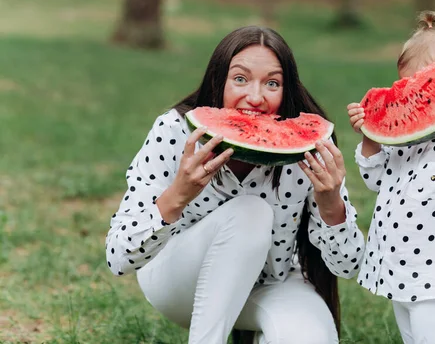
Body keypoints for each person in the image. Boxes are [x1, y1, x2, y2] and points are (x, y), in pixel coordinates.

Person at [105, 26, 365, 344]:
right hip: (177, 280)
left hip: (271, 283)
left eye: (272, 83)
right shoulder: (174, 131)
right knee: (250, 211)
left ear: (287, 90)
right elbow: (118, 257)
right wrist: (177, 195)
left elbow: (349, 265)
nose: (255, 98)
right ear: (218, 81)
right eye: (240, 79)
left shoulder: (306, 150)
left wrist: (331, 203)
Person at [346, 11, 435, 344]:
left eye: (430, 84)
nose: (416, 93)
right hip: (398, 272)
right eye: (409, 86)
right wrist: (370, 134)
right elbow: (374, 179)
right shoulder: (406, 142)